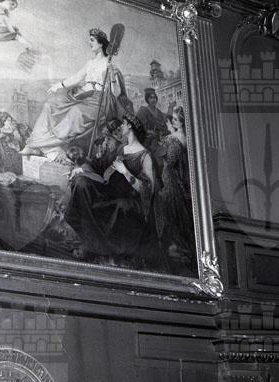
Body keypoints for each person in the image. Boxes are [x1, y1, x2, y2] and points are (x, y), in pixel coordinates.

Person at [21, 28, 128, 160]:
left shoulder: (109, 65)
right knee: (51, 105)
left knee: (76, 113)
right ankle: (34, 143)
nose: (89, 42)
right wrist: (58, 86)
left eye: (92, 40)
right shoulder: (90, 63)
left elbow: (116, 93)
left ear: (101, 43)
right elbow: (76, 78)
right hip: (84, 96)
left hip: (100, 102)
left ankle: (42, 145)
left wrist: (112, 76)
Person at [65, 114, 159, 266]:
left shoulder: (145, 156)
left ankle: (102, 249)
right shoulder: (122, 148)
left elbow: (148, 190)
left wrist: (125, 172)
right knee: (81, 183)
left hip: (129, 200)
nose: (120, 126)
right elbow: (100, 165)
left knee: (120, 207)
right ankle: (90, 242)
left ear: (130, 126)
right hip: (109, 191)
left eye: (123, 124)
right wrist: (81, 169)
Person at [154, 106, 195, 269]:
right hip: (177, 177)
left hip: (169, 177)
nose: (173, 121)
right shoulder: (186, 138)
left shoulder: (174, 139)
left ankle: (175, 245)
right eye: (173, 119)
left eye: (176, 120)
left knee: (169, 208)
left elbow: (170, 161)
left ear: (182, 122)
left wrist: (161, 151)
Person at [136, 87, 168, 158]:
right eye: (151, 98)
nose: (153, 100)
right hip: (149, 141)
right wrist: (151, 133)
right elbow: (139, 127)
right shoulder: (142, 111)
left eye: (155, 98)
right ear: (147, 99)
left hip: (160, 139)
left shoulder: (158, 112)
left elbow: (165, 122)